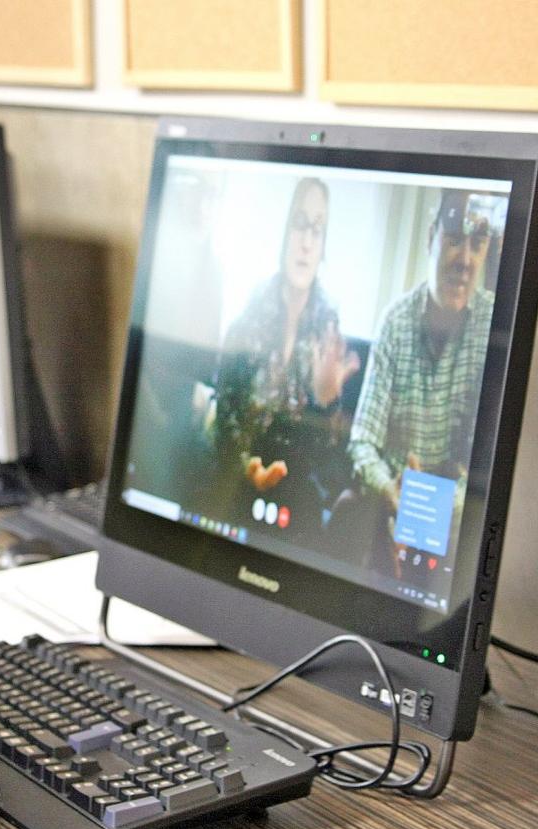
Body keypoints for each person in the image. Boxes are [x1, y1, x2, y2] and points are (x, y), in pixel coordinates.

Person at [341, 188, 498, 575]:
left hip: (453, 523)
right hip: (386, 505)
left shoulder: (495, 330)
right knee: (349, 513)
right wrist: (390, 491)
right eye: (454, 240)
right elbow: (362, 441)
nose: (465, 260)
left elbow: (485, 471)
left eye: (477, 244)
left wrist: (424, 510)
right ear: (431, 239)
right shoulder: (395, 321)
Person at [212, 176, 361, 535]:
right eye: (299, 224)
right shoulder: (249, 314)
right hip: (239, 484)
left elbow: (328, 459)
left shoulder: (329, 324)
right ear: (283, 232)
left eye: (318, 229)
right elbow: (225, 416)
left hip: (299, 496)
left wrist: (325, 404)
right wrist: (246, 465)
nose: (307, 242)